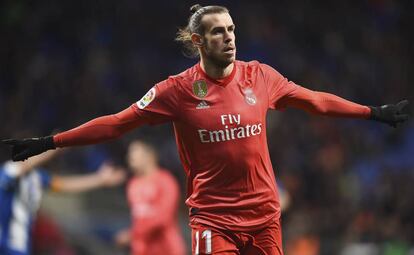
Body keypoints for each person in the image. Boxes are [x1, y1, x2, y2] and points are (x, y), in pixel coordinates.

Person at [2, 4, 409, 255]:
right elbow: (117, 124)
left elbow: (317, 101)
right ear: (198, 40)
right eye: (218, 31)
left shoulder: (260, 77)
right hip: (215, 221)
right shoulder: (176, 91)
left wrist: (372, 112)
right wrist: (50, 141)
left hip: (265, 217)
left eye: (232, 29)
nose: (229, 38)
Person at [0, 150, 125, 255]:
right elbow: (22, 166)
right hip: (4, 243)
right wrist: (55, 145)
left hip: (20, 244)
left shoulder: (36, 176)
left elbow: (63, 185)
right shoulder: (8, 170)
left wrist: (100, 179)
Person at [114, 140, 185, 255]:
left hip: (166, 248)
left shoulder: (166, 180)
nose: (130, 157)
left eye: (135, 152)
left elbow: (164, 217)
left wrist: (132, 234)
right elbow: (138, 216)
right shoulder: (133, 184)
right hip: (142, 249)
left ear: (150, 156)